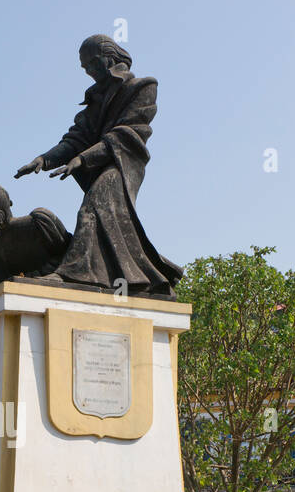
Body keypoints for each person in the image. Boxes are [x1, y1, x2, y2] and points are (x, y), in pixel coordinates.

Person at [14, 34, 182, 296]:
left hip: (122, 163)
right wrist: (43, 159)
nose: (88, 72)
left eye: (91, 64)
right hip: (101, 161)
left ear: (109, 57)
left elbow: (127, 133)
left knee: (93, 207)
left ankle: (73, 272)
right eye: (84, 68)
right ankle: (143, 278)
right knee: (111, 219)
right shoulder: (94, 99)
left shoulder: (142, 87)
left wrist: (82, 159)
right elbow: (76, 138)